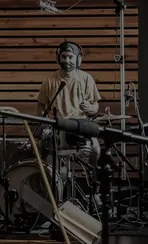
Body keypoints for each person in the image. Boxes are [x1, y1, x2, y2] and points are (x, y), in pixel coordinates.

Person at [36, 41, 103, 172]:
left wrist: (90, 108)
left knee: (96, 149)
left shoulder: (87, 78)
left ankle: (94, 180)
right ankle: (46, 178)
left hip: (80, 125)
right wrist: (45, 118)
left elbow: (95, 106)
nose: (67, 60)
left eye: (71, 57)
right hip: (58, 125)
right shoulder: (49, 80)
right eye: (64, 57)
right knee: (42, 149)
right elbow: (40, 106)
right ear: (58, 58)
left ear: (78, 59)